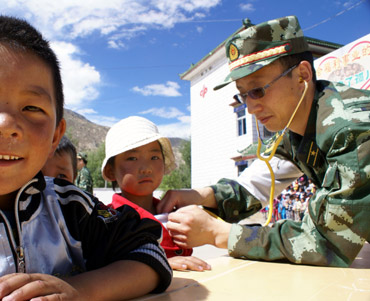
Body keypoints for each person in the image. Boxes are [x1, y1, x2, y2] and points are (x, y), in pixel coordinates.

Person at [0, 16, 172, 299]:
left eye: (31, 107)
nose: (6, 125)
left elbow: (148, 251)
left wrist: (78, 292)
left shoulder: (72, 207)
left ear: (55, 136)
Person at [157, 15, 370, 267]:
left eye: (258, 90)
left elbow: (326, 244)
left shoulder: (351, 128)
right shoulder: (295, 130)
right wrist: (199, 195)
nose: (249, 108)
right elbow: (254, 186)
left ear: (302, 75)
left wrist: (220, 233)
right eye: (243, 94)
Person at [102, 116, 211, 272]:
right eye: (132, 158)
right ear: (110, 170)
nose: (146, 168)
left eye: (154, 157)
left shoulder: (176, 216)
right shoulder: (107, 221)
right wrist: (157, 263)